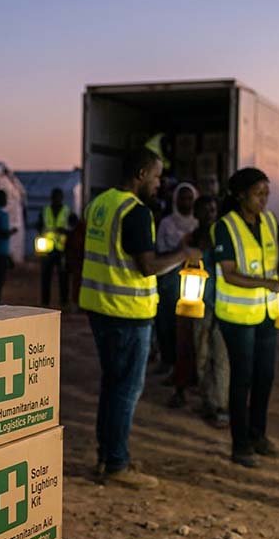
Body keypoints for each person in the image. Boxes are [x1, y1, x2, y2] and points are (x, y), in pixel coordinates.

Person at [79, 148, 201, 489]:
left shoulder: (99, 204)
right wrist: (183, 254)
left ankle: (108, 455)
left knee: (111, 384)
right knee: (126, 390)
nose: (160, 183)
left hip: (99, 307)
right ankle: (117, 463)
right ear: (141, 174)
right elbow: (147, 266)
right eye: (157, 176)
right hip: (126, 312)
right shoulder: (135, 212)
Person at [212, 168, 279, 468]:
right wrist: (267, 283)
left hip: (266, 313)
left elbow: (269, 259)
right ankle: (241, 445)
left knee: (265, 376)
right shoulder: (225, 227)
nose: (264, 199)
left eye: (266, 194)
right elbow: (229, 273)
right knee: (242, 378)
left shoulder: (269, 221)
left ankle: (259, 436)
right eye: (258, 194)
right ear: (240, 195)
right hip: (237, 316)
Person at [187, 196, 230, 428]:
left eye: (213, 209)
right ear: (196, 214)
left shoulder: (221, 237)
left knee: (220, 355)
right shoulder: (192, 239)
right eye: (205, 210)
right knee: (202, 353)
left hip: (221, 304)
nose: (210, 214)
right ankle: (208, 400)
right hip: (199, 304)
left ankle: (221, 405)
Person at [155, 183, 199, 374]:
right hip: (169, 278)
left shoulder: (198, 223)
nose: (186, 202)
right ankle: (167, 360)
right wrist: (181, 249)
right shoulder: (167, 223)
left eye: (190, 198)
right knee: (166, 321)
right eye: (183, 198)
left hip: (193, 279)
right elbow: (159, 250)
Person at [38, 188, 72, 308]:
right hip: (47, 249)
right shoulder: (45, 210)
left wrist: (65, 231)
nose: (56, 200)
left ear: (62, 198)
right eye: (55, 197)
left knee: (63, 276)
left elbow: (72, 228)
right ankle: (45, 302)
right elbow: (39, 226)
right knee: (45, 276)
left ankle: (64, 301)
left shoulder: (67, 211)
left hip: (62, 249)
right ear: (51, 198)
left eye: (58, 197)